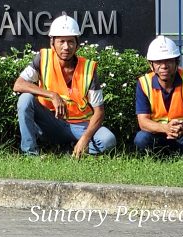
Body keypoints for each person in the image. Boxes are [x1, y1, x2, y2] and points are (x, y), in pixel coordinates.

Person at [14, 13, 117, 157]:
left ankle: (72, 149)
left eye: (70, 42)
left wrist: (85, 139)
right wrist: (52, 95)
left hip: (81, 125)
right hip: (52, 123)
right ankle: (30, 154)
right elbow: (18, 84)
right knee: (25, 99)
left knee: (108, 140)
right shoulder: (43, 58)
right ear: (52, 43)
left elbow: (99, 111)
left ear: (77, 44)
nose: (66, 47)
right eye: (61, 41)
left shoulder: (88, 68)